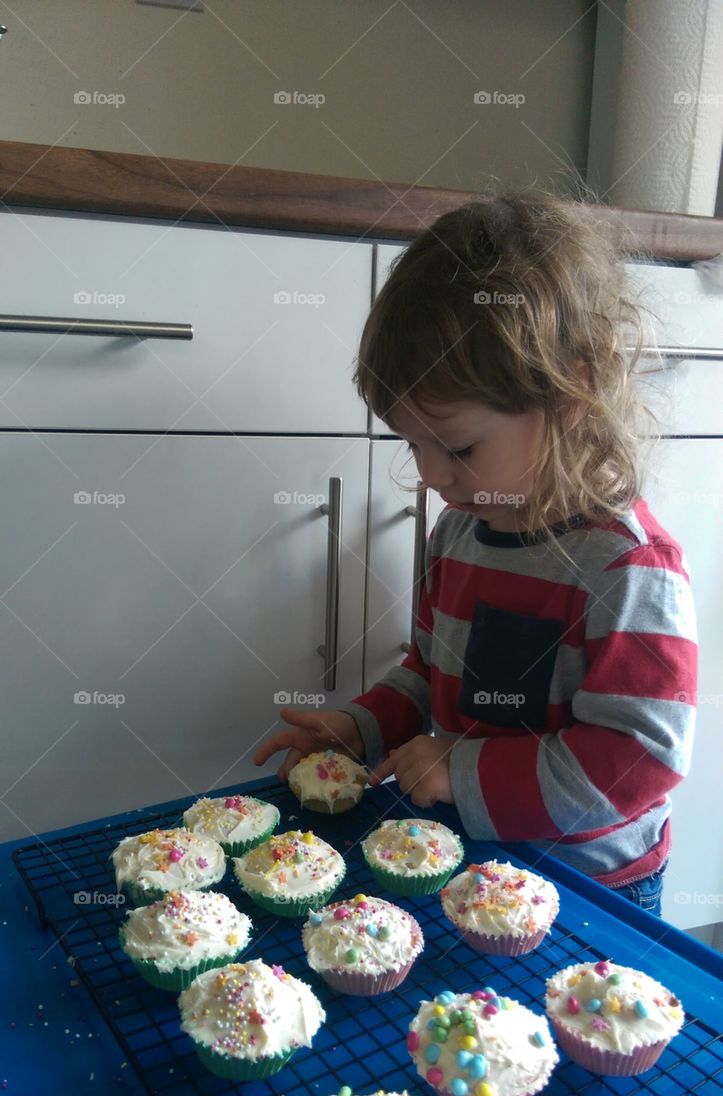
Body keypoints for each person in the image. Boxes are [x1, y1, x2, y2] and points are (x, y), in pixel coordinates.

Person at [254, 183, 698, 917]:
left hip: (589, 886)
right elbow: (429, 673)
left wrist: (464, 771)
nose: (428, 475)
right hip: (465, 854)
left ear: (568, 397)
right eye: (412, 443)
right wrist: (359, 728)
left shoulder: (625, 569)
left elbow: (639, 760)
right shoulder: (461, 531)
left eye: (456, 445)